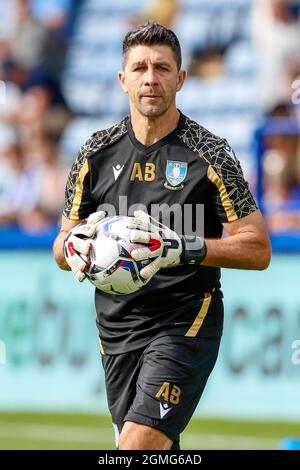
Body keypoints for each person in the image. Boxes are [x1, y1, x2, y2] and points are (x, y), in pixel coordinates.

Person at [53, 22, 271, 450]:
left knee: (134, 447)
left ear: (180, 78)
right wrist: (73, 249)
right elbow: (62, 243)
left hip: (184, 321)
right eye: (140, 68)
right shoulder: (95, 153)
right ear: (123, 80)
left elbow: (258, 247)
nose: (150, 78)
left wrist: (181, 249)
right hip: (115, 327)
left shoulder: (211, 154)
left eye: (162, 68)